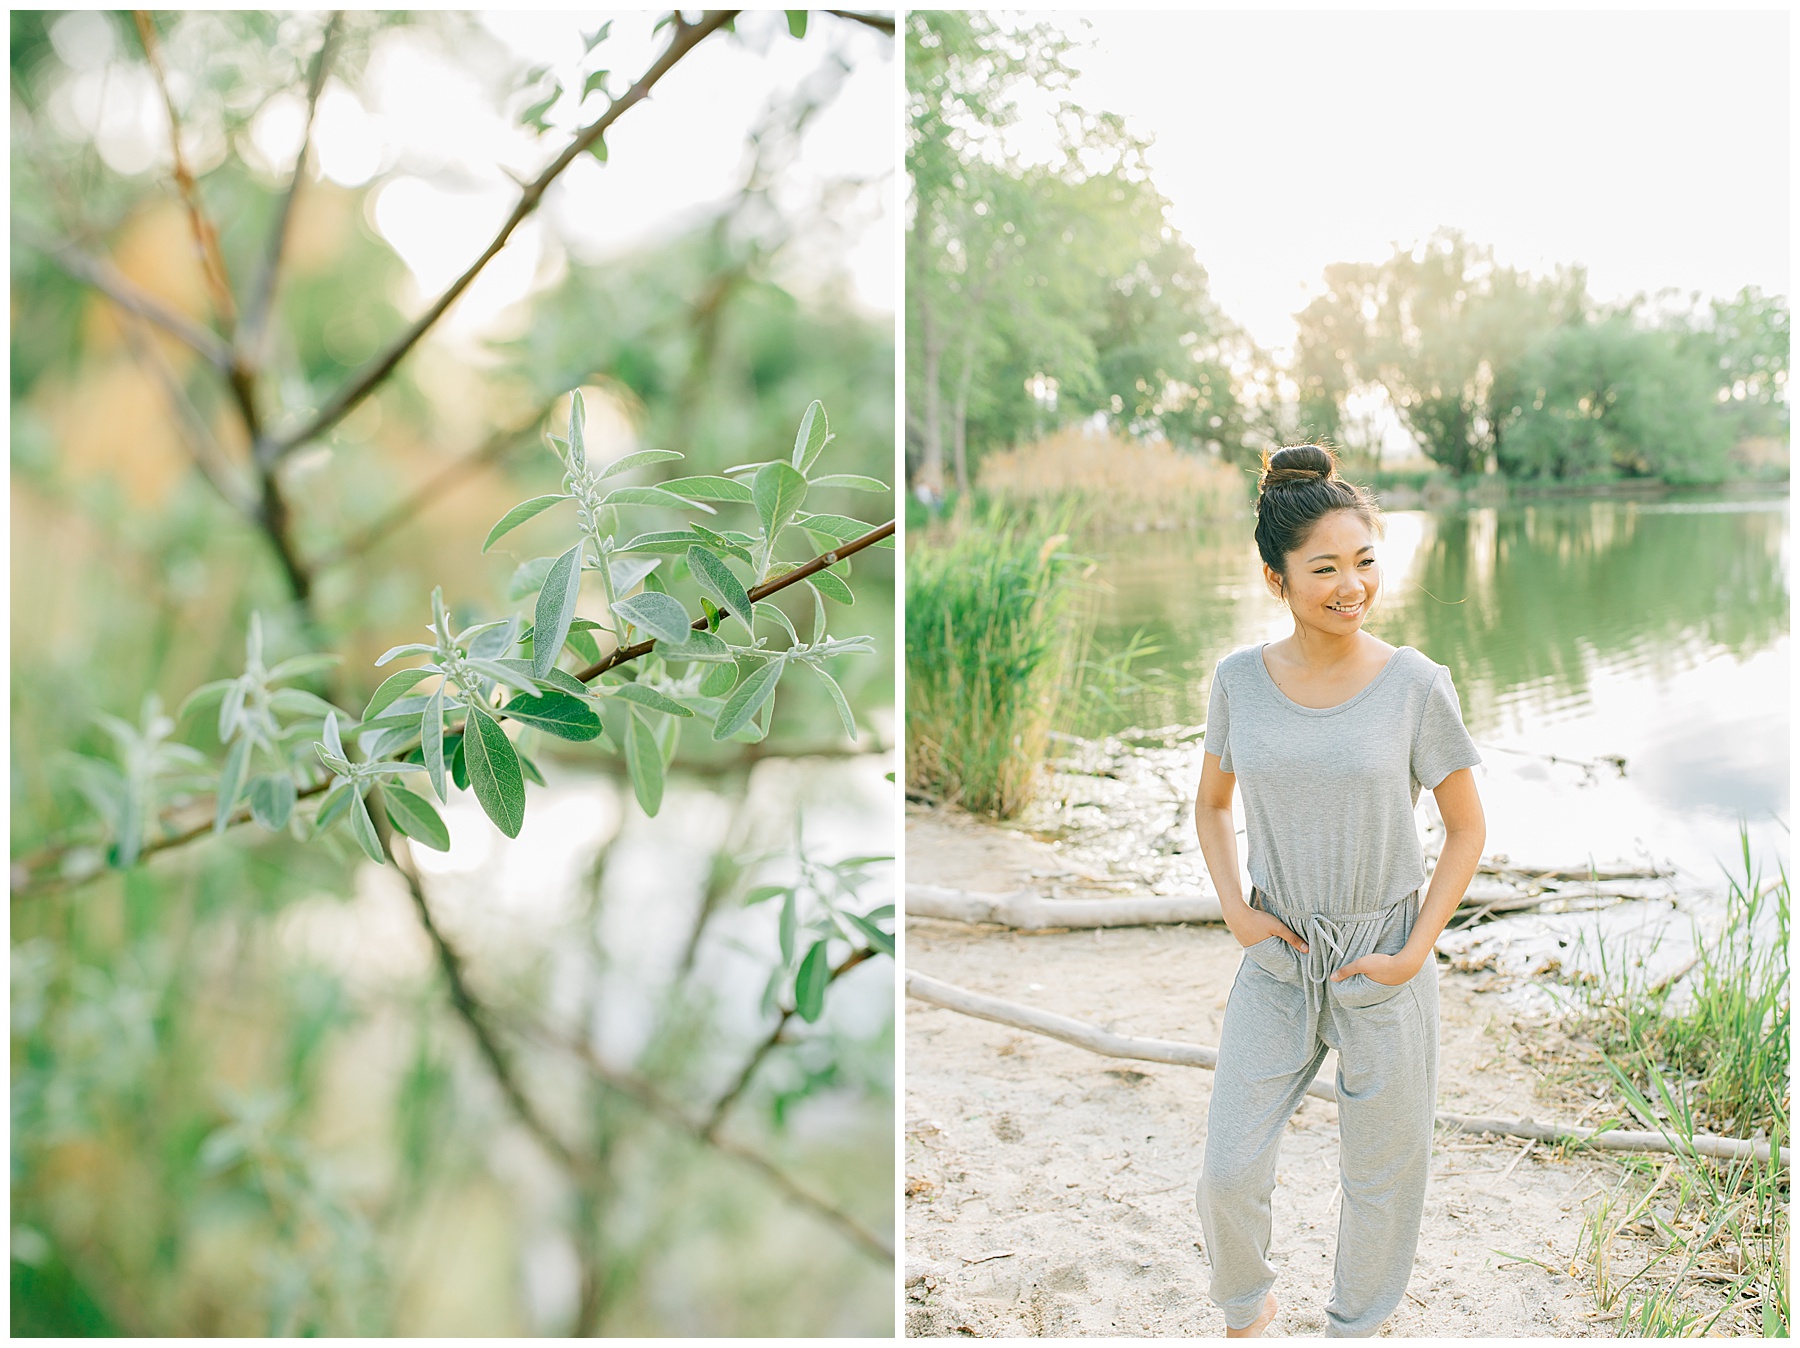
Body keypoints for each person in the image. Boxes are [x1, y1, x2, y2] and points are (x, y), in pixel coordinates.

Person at [1190, 443, 1486, 1338]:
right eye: (1324, 567)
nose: (1350, 585)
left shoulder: (1414, 685)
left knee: (1383, 1176)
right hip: (1279, 956)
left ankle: (1356, 1326)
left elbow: (1467, 828)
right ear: (1277, 576)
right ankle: (1248, 1310)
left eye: (1364, 562)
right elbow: (1210, 806)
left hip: (1384, 954)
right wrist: (1240, 913)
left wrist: (1411, 953)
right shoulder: (1239, 680)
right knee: (1229, 1170)